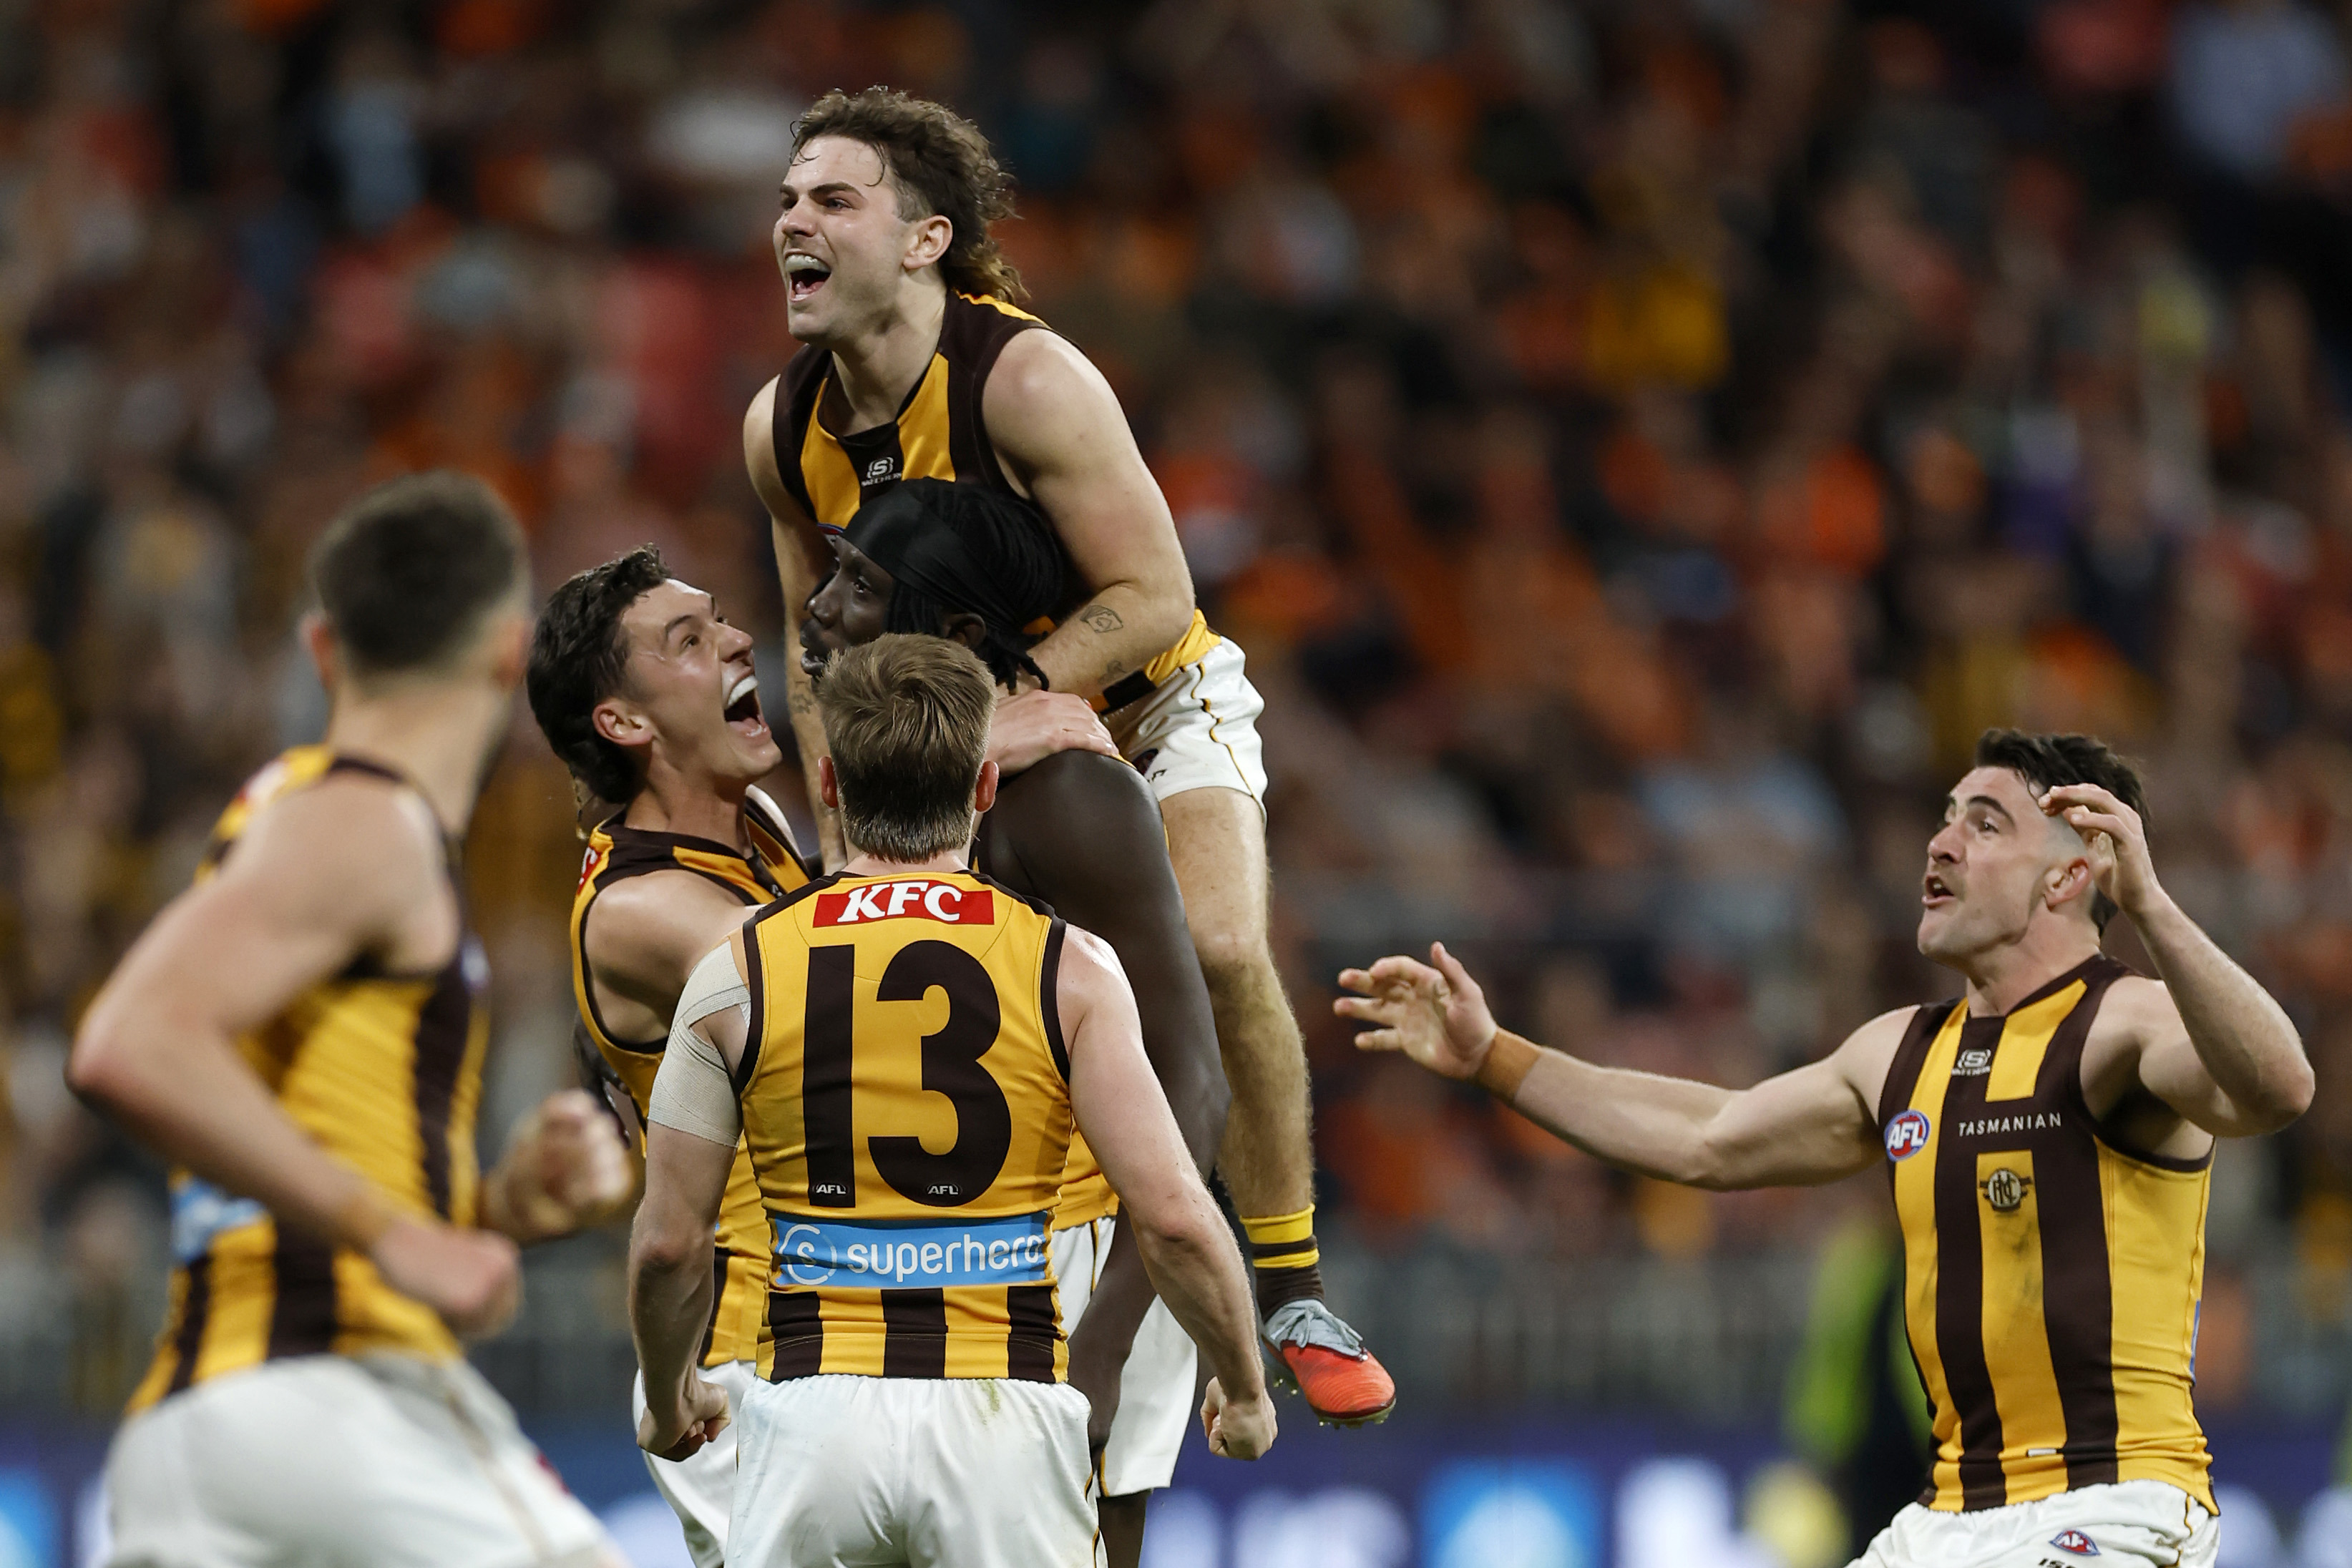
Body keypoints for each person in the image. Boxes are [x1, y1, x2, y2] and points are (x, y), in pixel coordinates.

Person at [743, 84, 1392, 1424]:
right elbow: (813, 649)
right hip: (960, 724)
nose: (790, 223)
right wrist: (835, 816)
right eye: (787, 199)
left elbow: (1155, 593)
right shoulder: (781, 429)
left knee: (1215, 956)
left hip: (1148, 699)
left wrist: (1026, 694)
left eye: (831, 198)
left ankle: (1291, 1282)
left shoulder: (1026, 378)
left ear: (924, 239)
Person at [1338, 730, 2316, 1568]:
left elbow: (2280, 1086)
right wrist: (1495, 1056)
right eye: (1946, 816)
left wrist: (2148, 904)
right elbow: (1708, 1137)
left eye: (1985, 825)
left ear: (2073, 873)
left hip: (2110, 1509)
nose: (1940, 843)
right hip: (1953, 1522)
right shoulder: (1901, 1052)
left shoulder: (2125, 1022)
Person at [67, 471, 632, 1568]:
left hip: (204, 1437)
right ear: (509, 655)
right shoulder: (367, 823)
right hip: (334, 1410)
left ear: (324, 652)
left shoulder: (288, 814)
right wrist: (400, 1235)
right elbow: (130, 1040)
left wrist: (492, 1208)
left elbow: (291, 1141)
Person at [629, 634, 1275, 1568]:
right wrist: (1244, 1388)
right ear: (982, 787)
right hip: (1001, 1415)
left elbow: (668, 1241)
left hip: (812, 1419)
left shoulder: (736, 968)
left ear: (831, 783)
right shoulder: (1069, 968)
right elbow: (1174, 1217)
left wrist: (669, 1390)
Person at [798, 478, 1231, 1566]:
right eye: (834, 569)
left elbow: (1195, 1085)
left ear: (953, 633)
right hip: (909, 1258)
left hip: (1071, 1258)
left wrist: (1109, 1339)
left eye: (861, 585)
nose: (819, 607)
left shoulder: (1070, 801)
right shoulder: (889, 789)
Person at [524, 548, 814, 1568]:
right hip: (737, 1379)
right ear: (626, 724)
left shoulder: (753, 825)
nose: (738, 641)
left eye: (722, 621)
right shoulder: (640, 912)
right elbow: (839, 985)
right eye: (689, 641)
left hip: (836, 1339)